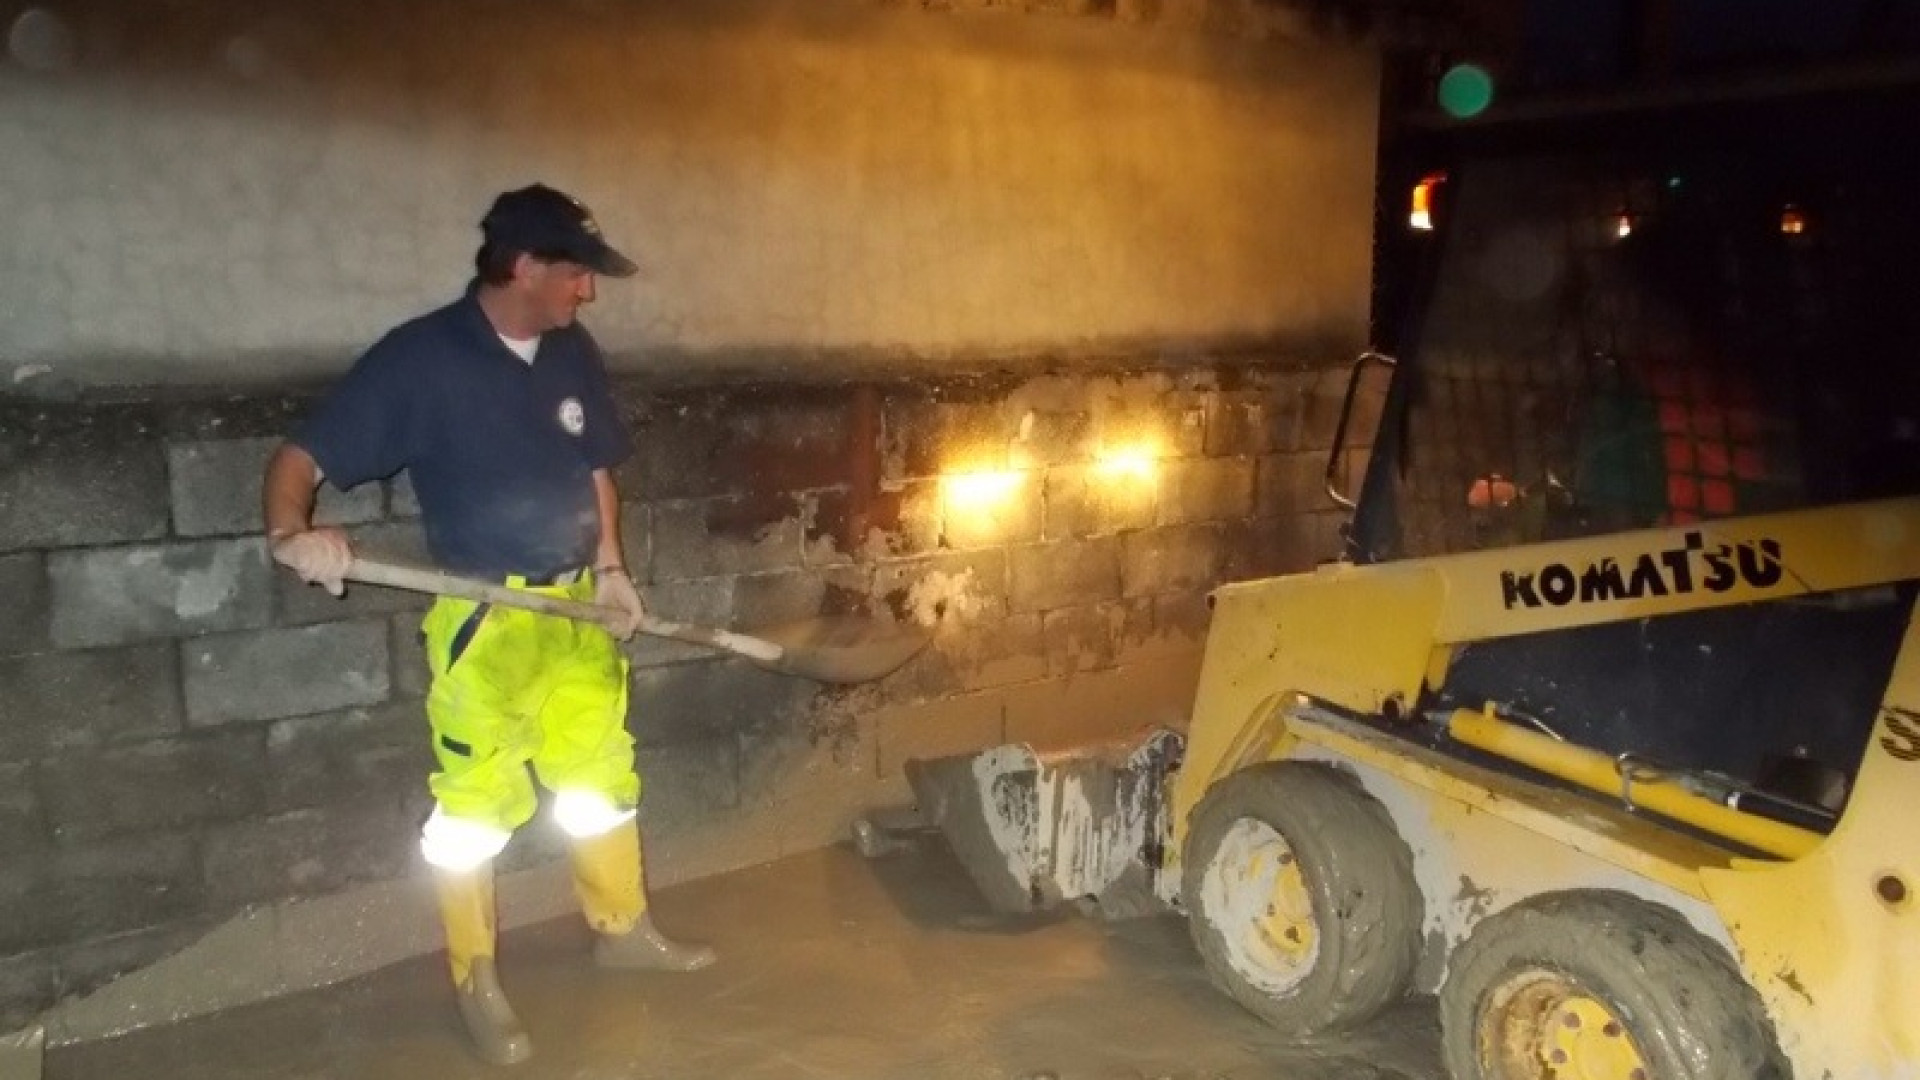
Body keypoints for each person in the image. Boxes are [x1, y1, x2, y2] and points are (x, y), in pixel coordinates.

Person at [260, 183, 714, 1066]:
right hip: (487, 618)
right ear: (526, 266)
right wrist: (293, 533)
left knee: (597, 777)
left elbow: (596, 470)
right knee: (473, 809)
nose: (588, 292)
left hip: (576, 607)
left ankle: (622, 928)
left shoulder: (570, 350)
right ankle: (476, 977)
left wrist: (613, 568)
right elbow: (298, 459)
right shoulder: (421, 360)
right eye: (577, 274)